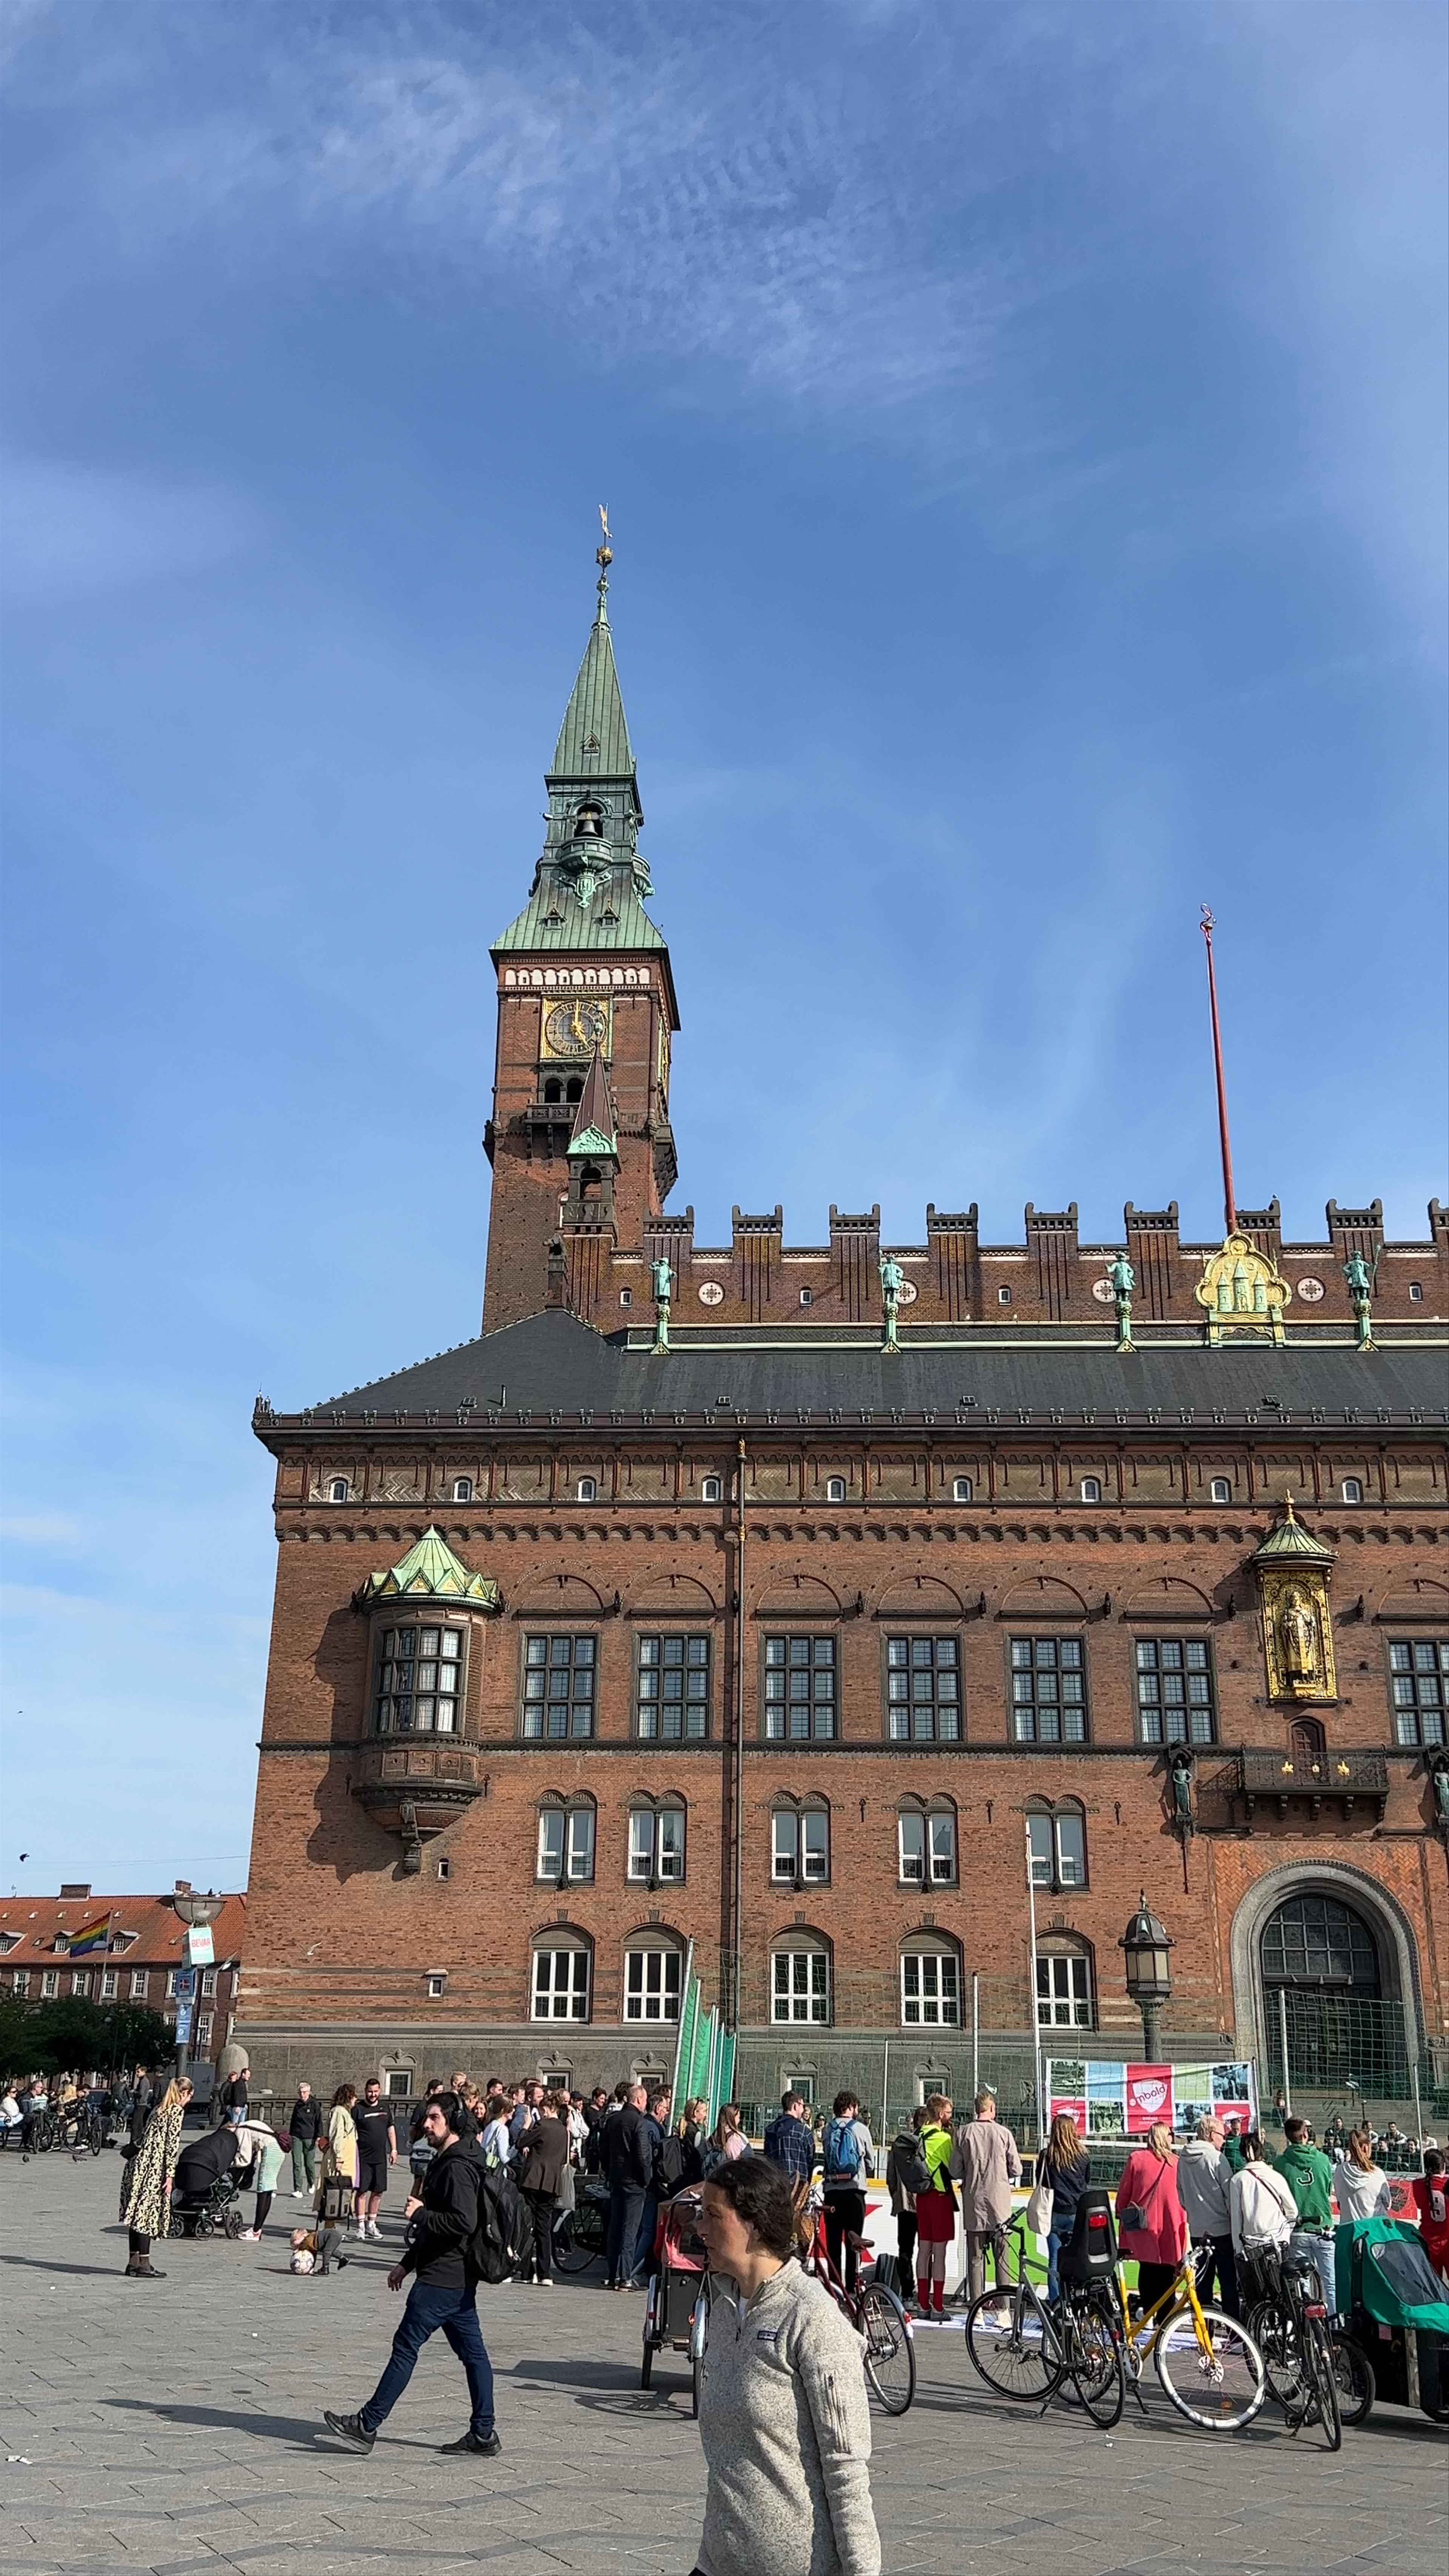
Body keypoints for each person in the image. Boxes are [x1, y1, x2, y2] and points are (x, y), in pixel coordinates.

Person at [692, 2151, 881, 2576]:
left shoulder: (811, 2317)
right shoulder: (723, 2306)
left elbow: (847, 2468)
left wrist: (863, 2570)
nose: (700, 2227)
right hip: (719, 2561)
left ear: (754, 2223)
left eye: (713, 2215)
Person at [323, 2090, 500, 2458]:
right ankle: (484, 2433)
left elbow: (463, 2222)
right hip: (455, 2277)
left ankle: (367, 2424)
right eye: (426, 2118)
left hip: (441, 2278)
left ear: (453, 2121)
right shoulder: (456, 2157)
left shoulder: (456, 2166)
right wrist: (407, 2262)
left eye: (435, 2117)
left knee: (406, 2347)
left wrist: (420, 2214)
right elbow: (441, 2227)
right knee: (475, 2355)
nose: (426, 2124)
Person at [120, 2076, 193, 2277]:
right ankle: (144, 2264)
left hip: (138, 2165)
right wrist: (169, 2176)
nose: (190, 2101)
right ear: (184, 2093)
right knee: (147, 2215)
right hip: (154, 2168)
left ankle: (133, 2263)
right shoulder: (176, 2112)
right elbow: (171, 2146)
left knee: (136, 2214)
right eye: (190, 2096)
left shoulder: (158, 2109)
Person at [954, 2092, 1022, 2305]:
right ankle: (1004, 2309)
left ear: (977, 2109)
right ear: (992, 2109)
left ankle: (978, 2308)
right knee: (1002, 2257)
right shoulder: (1004, 2134)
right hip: (999, 2204)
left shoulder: (963, 2133)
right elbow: (1017, 2169)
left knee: (975, 2258)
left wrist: (970, 2173)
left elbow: (955, 2169)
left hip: (974, 2201)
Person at [1115, 2121, 1187, 2316]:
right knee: (1168, 2272)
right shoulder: (1177, 2163)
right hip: (1170, 2224)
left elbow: (1125, 2192)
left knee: (1147, 2269)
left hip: (1143, 2224)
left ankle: (1148, 2313)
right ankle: (1165, 2317)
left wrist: (1120, 2212)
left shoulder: (1137, 2159)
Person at [1273, 2116, 1338, 2317]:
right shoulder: (1322, 2160)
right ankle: (1336, 2324)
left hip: (1298, 2229)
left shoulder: (1280, 2163)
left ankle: (1306, 2326)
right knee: (1331, 2283)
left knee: (1302, 2284)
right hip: (1322, 2227)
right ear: (1306, 2135)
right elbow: (1328, 2189)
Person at [1177, 2113, 1238, 2316]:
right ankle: (1234, 2328)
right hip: (1221, 2229)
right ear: (1212, 2135)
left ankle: (1205, 2329)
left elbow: (1182, 2195)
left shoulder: (1183, 2159)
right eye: (1223, 2135)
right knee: (1229, 2283)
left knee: (1203, 2285)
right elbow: (1230, 2193)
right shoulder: (1217, 2158)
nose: (1225, 2140)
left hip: (1197, 2230)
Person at [1228, 2130, 1298, 2297]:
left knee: (1258, 2293)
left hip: (1253, 2244)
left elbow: (1236, 2219)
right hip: (1278, 2241)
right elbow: (1292, 2211)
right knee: (1284, 2290)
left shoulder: (1238, 2180)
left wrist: (1238, 2249)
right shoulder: (1276, 2177)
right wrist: (1285, 2234)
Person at [820, 2092, 874, 2296]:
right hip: (855, 2191)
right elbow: (870, 2162)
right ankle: (852, 2287)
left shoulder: (827, 2129)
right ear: (852, 2107)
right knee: (854, 2240)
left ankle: (835, 2288)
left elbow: (827, 2156)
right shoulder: (861, 2129)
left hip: (832, 2191)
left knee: (833, 2242)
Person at [515, 2088, 571, 2287]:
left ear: (546, 2110)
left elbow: (521, 2142)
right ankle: (545, 2273)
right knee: (544, 2229)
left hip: (533, 2180)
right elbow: (564, 2157)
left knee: (527, 2225)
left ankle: (525, 2270)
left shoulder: (542, 2126)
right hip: (552, 2183)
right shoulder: (565, 2131)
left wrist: (525, 2127)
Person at [1037, 2112, 1092, 2305]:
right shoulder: (1083, 2155)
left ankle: (1056, 2305)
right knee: (1076, 2260)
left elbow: (1041, 2182)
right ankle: (1076, 2303)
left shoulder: (1047, 2156)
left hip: (1054, 2212)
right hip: (1077, 2213)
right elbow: (1086, 2181)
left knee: (1054, 2260)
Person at [604, 2081, 654, 2292]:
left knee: (615, 2228)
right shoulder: (638, 2123)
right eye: (645, 2100)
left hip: (616, 2180)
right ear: (639, 2100)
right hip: (635, 2183)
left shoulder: (612, 2120)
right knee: (630, 2231)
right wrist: (646, 2179)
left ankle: (611, 2275)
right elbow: (643, 2155)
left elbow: (603, 2151)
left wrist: (609, 2173)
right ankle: (625, 2277)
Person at [912, 2093, 957, 2320]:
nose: (951, 2116)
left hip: (922, 2198)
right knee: (939, 2254)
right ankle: (938, 2305)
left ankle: (923, 2304)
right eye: (949, 2112)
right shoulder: (944, 2139)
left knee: (923, 2251)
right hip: (940, 2197)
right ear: (940, 2114)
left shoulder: (918, 2135)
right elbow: (954, 2169)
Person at [885, 2108, 927, 2305]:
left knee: (905, 2250)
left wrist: (897, 2196)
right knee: (927, 2251)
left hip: (904, 2203)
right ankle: (925, 2295)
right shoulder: (930, 2143)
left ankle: (907, 2294)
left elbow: (891, 2178)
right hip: (926, 2203)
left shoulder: (899, 2144)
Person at [352, 2077, 397, 2241]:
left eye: (376, 2091)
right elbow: (351, 2131)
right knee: (362, 2191)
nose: (373, 2094)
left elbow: (391, 2129)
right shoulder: (358, 2109)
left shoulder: (385, 2107)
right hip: (363, 2157)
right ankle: (361, 2226)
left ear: (380, 2091)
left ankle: (372, 2224)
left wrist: (394, 2149)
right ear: (366, 2091)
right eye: (370, 2092)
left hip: (380, 2157)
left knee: (378, 2191)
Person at [237, 2119, 287, 2241]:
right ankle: (258, 2229)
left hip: (271, 2150)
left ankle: (256, 2231)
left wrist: (233, 2163)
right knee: (267, 2191)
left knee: (263, 2191)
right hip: (277, 2149)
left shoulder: (241, 2130)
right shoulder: (246, 2125)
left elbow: (245, 2158)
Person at [1332, 2125, 1392, 2222]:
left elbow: (1340, 2204)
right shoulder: (1377, 2174)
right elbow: (1388, 2204)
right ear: (1366, 2148)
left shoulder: (1340, 2171)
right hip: (1373, 2228)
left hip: (1349, 2228)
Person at [1410, 2149, 1449, 2285]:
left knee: (1433, 2287)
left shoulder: (1417, 2185)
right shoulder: (1446, 2183)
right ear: (1443, 2166)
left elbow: (1421, 2204)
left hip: (1428, 2241)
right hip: (1447, 2239)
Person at [764, 2092, 817, 2187]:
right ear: (796, 2106)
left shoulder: (770, 2130)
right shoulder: (803, 2131)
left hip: (775, 2186)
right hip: (797, 2186)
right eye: (803, 2106)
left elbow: (767, 2158)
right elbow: (810, 2160)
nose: (803, 2110)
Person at [323, 2082, 359, 2205]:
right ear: (348, 2097)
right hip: (342, 2157)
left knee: (346, 2188)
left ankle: (343, 2210)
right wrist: (339, 2158)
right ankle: (333, 2214)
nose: (356, 2098)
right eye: (354, 2095)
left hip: (349, 2156)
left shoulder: (345, 2112)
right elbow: (337, 2135)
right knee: (337, 2189)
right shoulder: (339, 2111)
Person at [287, 2081, 323, 2198]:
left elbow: (319, 2121)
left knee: (309, 2164)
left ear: (309, 2092)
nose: (302, 2095)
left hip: (310, 2137)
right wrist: (291, 2135)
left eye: (304, 2092)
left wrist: (319, 2136)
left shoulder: (315, 2104)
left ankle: (311, 2183)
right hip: (297, 2136)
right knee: (297, 2163)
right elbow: (293, 2120)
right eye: (300, 2092)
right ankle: (298, 2189)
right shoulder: (298, 2105)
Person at [702, 2103, 748, 2179]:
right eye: (739, 2118)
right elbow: (735, 2161)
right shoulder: (735, 2138)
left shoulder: (714, 2136)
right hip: (730, 2178)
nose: (739, 2121)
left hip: (713, 2178)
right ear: (732, 2118)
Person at [219, 2062, 250, 2129]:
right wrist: (235, 2105)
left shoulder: (241, 2083)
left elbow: (243, 2095)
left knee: (239, 2124)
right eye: (248, 2074)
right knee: (234, 2123)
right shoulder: (234, 2084)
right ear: (243, 2074)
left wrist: (245, 2104)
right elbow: (236, 2095)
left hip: (241, 2106)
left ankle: (222, 2130)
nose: (249, 2076)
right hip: (235, 2106)